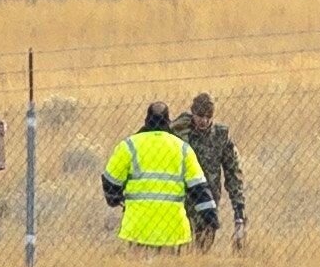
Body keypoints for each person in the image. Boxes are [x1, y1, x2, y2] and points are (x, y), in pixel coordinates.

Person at [100, 100, 214, 253]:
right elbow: (199, 189)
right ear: (168, 122)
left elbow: (110, 181)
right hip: (173, 231)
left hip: (137, 230)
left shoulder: (129, 146)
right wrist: (210, 219)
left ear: (146, 121)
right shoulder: (183, 149)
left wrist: (114, 199)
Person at [172, 91, 246, 248]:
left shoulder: (220, 136)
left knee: (203, 249)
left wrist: (238, 210)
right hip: (181, 202)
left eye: (208, 116)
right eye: (200, 116)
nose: (204, 121)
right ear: (193, 113)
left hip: (208, 204)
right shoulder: (180, 133)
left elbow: (233, 173)